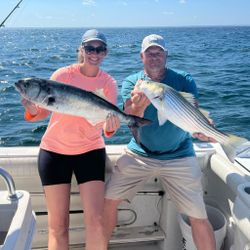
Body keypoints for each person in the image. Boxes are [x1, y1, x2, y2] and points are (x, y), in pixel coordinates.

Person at [103, 34, 216, 250]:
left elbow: (192, 113)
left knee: (198, 215)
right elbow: (130, 115)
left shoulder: (184, 79)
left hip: (180, 155)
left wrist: (202, 129)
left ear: (166, 55)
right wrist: (138, 106)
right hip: (140, 154)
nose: (154, 57)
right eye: (149, 53)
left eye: (159, 52)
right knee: (108, 200)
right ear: (141, 56)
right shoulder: (132, 81)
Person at [20, 29, 120, 250]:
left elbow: (105, 124)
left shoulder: (109, 83)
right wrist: (32, 109)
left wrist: (111, 128)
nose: (95, 53)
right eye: (90, 48)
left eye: (100, 48)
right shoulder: (63, 75)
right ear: (81, 49)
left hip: (90, 152)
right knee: (58, 226)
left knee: (96, 222)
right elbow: (44, 111)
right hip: (54, 152)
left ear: (105, 53)